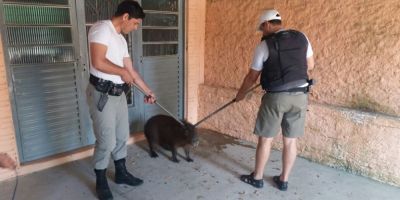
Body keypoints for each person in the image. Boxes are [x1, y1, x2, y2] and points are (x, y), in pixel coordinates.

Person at [235, 9, 314, 191]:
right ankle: (283, 180)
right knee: (290, 141)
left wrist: (241, 95)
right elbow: (310, 65)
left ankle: (257, 177)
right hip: (300, 96)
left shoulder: (265, 46)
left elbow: (251, 77)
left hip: (276, 98)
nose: (262, 33)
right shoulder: (302, 37)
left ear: (267, 24)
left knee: (265, 139)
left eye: (262, 28)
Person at [87, 1, 156, 199]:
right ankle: (101, 181)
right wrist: (121, 71)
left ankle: (121, 173)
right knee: (106, 140)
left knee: (121, 136)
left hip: (118, 94)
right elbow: (98, 61)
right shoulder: (102, 29)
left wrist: (147, 91)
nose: (135, 28)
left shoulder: (121, 40)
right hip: (102, 94)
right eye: (135, 23)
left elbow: (131, 71)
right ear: (125, 17)